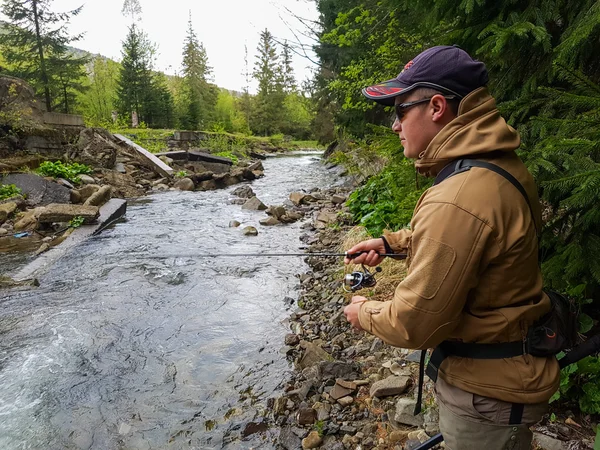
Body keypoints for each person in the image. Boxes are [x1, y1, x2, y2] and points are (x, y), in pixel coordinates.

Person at [342, 45, 560, 450]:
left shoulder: (457, 196)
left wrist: (363, 312)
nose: (395, 125)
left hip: (486, 397)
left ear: (437, 106)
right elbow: (479, 239)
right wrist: (392, 244)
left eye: (400, 110)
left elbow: (414, 323)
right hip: (507, 381)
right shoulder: (499, 168)